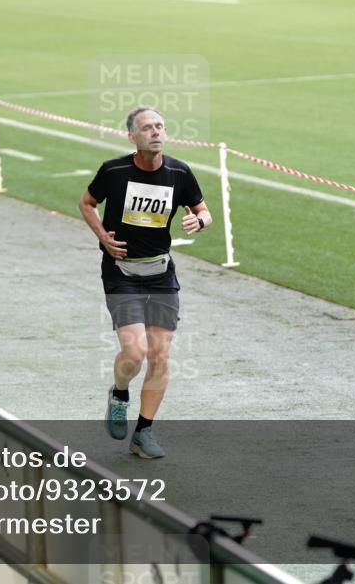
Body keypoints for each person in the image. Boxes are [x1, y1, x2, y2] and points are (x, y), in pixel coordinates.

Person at [78, 107, 213, 459]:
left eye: (160, 126)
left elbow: (203, 210)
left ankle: (144, 432)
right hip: (121, 273)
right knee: (135, 352)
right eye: (147, 128)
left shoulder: (179, 172)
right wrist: (103, 238)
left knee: (161, 355)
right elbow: (87, 203)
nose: (155, 132)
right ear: (132, 137)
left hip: (161, 273)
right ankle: (119, 393)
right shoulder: (114, 170)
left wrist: (200, 221)